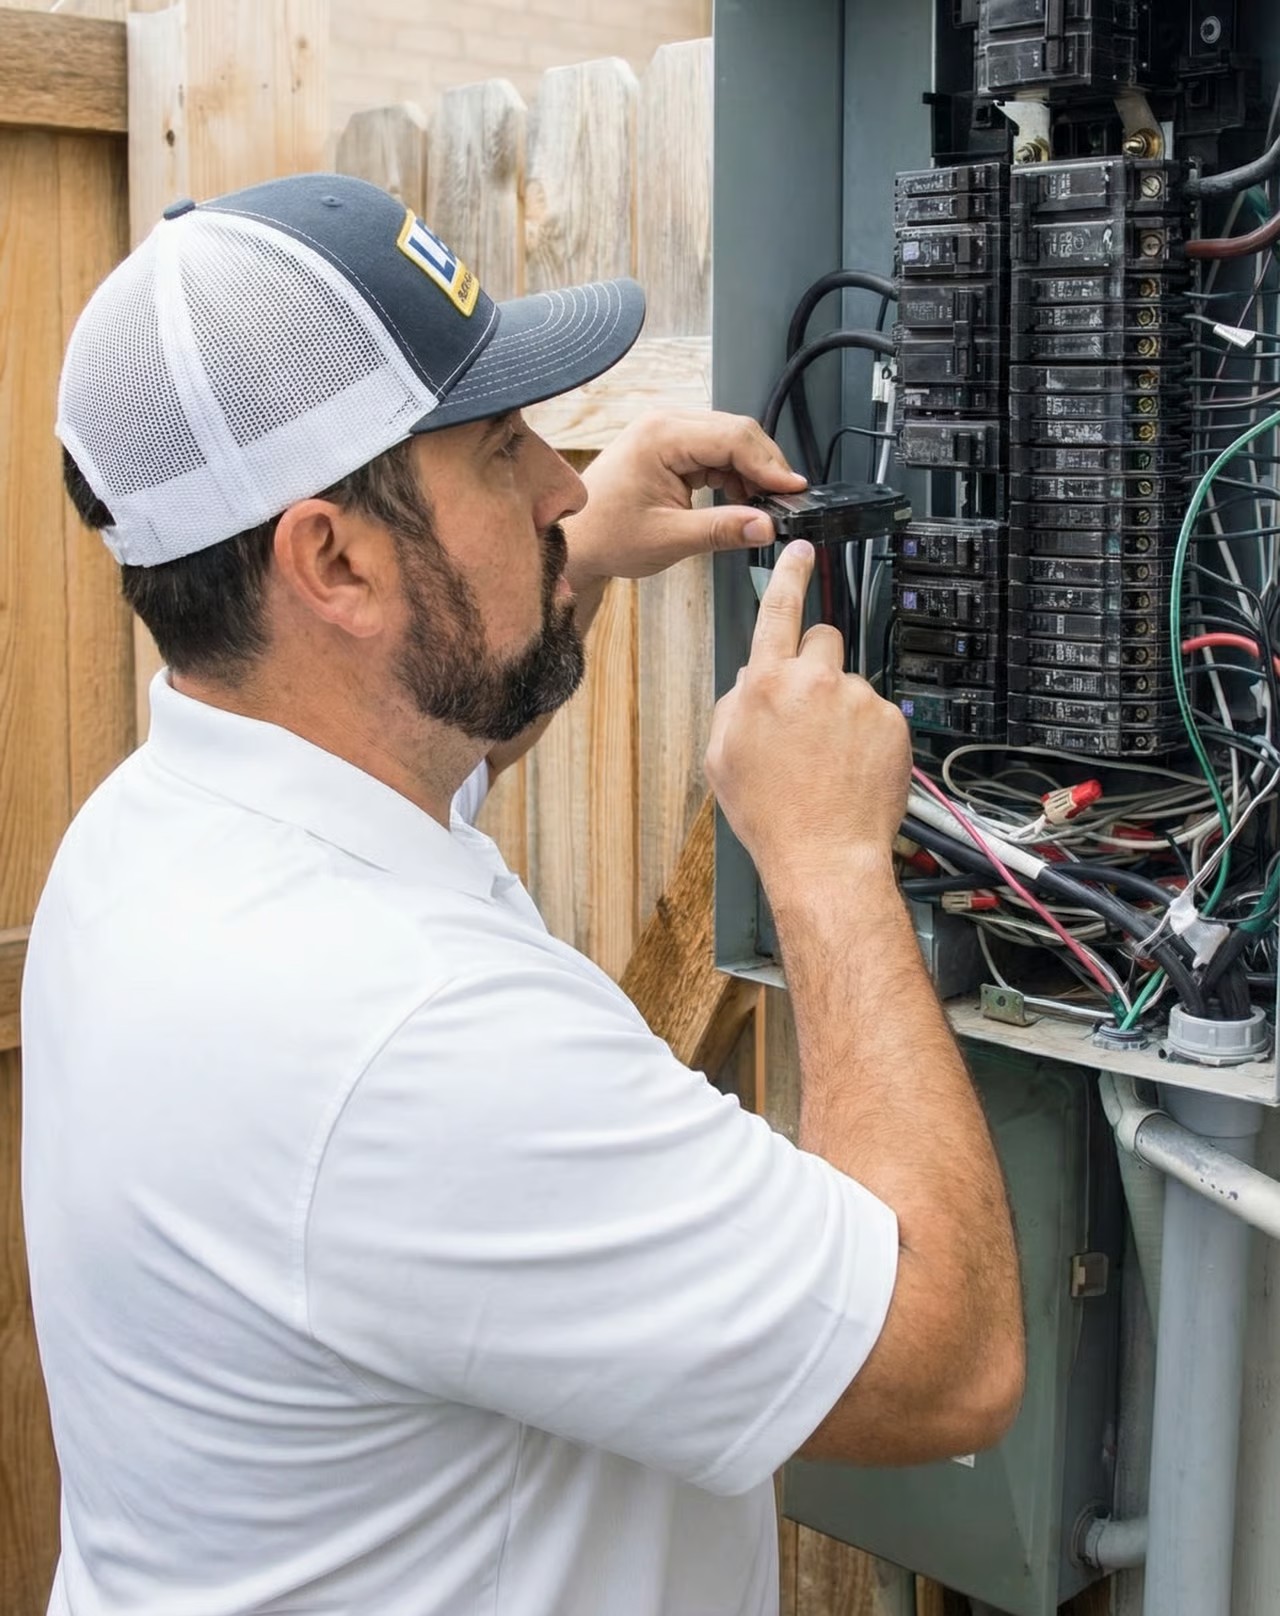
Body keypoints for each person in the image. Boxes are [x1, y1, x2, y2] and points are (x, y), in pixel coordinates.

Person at [23, 173, 1024, 1616]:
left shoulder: (158, 835)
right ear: (338, 560)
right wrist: (825, 866)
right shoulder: (402, 1039)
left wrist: (562, 565)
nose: (567, 481)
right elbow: (945, 1354)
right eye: (502, 454)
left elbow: (432, 744)